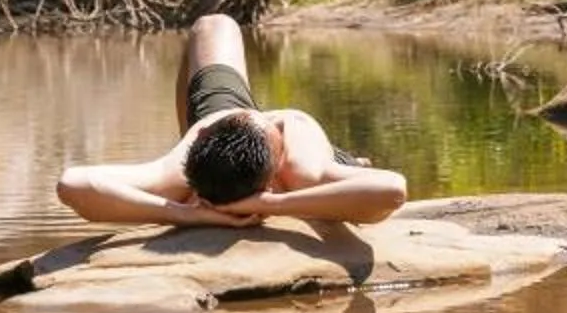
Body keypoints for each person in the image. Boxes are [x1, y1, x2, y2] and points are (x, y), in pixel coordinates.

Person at [54, 15, 409, 227]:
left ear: (200, 138)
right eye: (277, 130)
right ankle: (351, 163)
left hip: (228, 137)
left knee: (214, 25)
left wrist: (180, 213)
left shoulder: (176, 174)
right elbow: (392, 191)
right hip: (304, 157)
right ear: (275, 175)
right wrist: (271, 206)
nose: (272, 117)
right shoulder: (305, 173)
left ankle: (236, 135)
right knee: (350, 167)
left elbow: (73, 184)